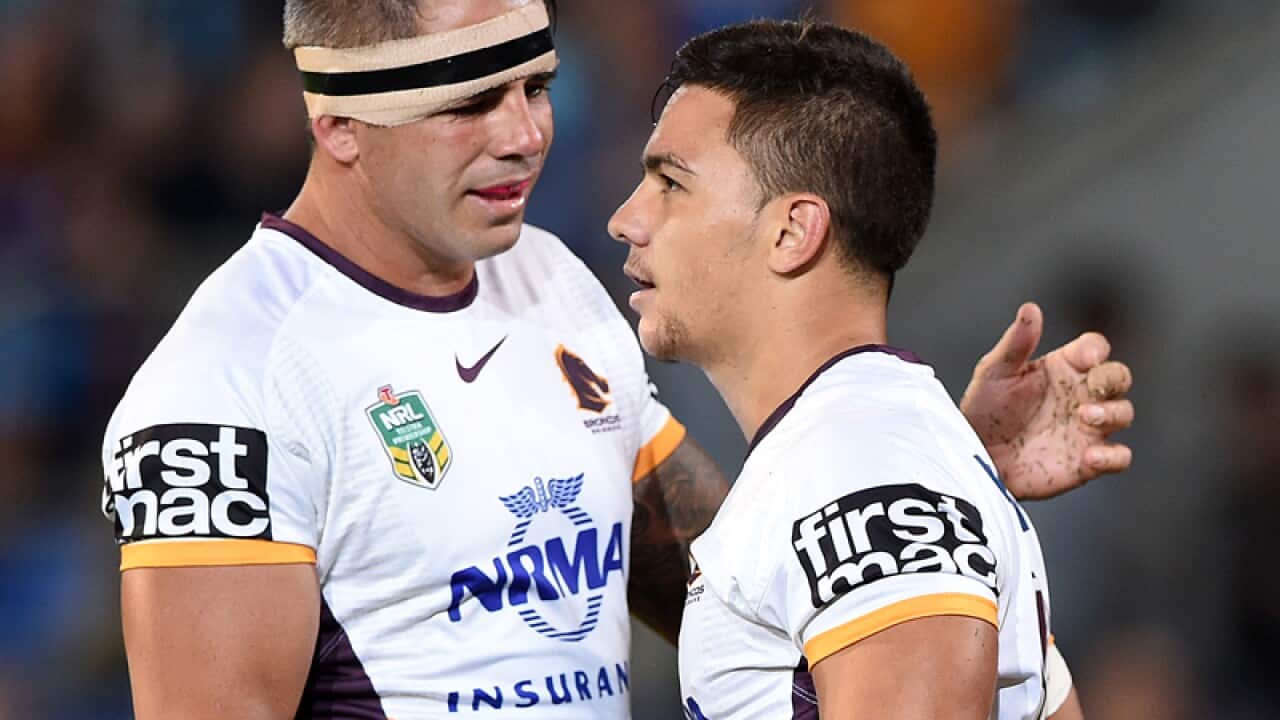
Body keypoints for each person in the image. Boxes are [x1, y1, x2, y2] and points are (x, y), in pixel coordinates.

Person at [100, 1, 1132, 717]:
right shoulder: (226, 389)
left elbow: (735, 571)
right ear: (338, 122)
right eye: (470, 101)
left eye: (537, 86)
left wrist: (925, 469)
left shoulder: (550, 284)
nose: (524, 135)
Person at [607, 19, 1106, 720]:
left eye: (670, 182)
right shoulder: (870, 458)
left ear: (792, 232)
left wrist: (899, 477)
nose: (625, 219)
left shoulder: (859, 465)